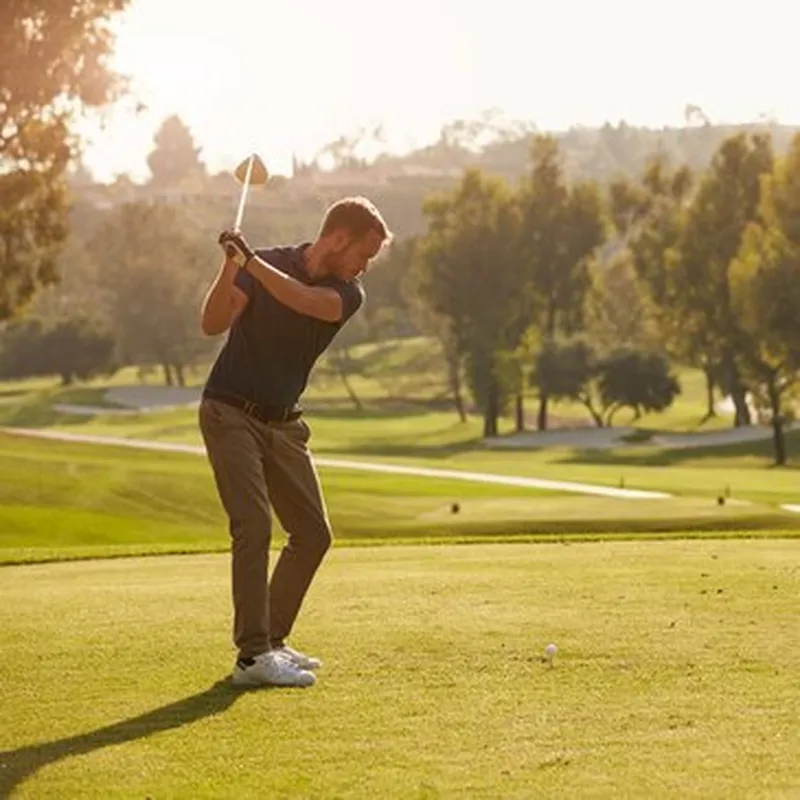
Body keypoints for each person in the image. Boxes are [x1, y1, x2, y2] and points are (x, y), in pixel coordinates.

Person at [198, 196, 392, 688]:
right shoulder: (267, 262)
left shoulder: (345, 293)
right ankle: (252, 657)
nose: (364, 268)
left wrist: (250, 263)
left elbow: (305, 302)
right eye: (363, 255)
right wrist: (230, 269)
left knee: (312, 532)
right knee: (254, 524)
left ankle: (273, 642)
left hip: (284, 424)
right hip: (229, 411)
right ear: (338, 237)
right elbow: (213, 324)